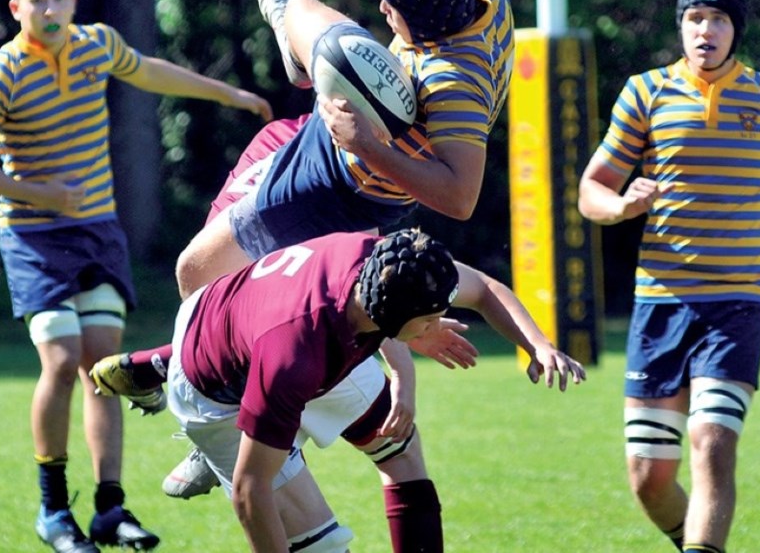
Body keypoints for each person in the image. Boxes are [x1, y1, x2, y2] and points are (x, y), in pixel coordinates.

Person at [94, 0, 515, 549]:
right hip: (342, 159)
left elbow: (460, 196)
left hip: (337, 180)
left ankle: (193, 396)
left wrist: (366, 143)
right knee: (320, 29)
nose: (386, 14)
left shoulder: (452, 82)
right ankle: (303, 51)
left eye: (393, 11)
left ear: (423, 25)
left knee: (194, 274)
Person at [0, 0, 273, 553]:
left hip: (97, 231)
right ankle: (53, 510)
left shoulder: (94, 44)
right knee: (60, 360)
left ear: (74, 3)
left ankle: (109, 509)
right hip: (32, 236)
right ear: (17, 8)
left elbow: (149, 71)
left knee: (103, 369)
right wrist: (36, 191)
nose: (50, 8)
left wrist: (228, 94)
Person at [577, 0, 760, 553]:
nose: (705, 31)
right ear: (680, 26)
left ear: (736, 31)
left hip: (737, 300)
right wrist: (620, 206)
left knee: (711, 440)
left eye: (718, 20)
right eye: (694, 19)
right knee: (649, 477)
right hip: (660, 303)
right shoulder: (645, 92)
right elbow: (592, 188)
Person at [166, 228, 585, 553]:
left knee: (399, 446)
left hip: (276, 323)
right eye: (431, 318)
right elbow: (249, 488)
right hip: (213, 385)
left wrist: (539, 346)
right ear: (395, 321)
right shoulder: (294, 359)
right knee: (322, 546)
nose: (439, 325)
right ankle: (159, 367)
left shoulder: (388, 264)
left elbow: (486, 289)